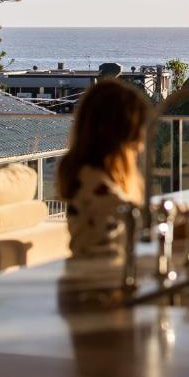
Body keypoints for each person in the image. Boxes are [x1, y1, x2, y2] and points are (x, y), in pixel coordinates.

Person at [58, 78, 150, 258]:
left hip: (96, 273)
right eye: (136, 137)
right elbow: (136, 216)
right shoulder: (93, 182)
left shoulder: (86, 174)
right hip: (94, 278)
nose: (141, 146)